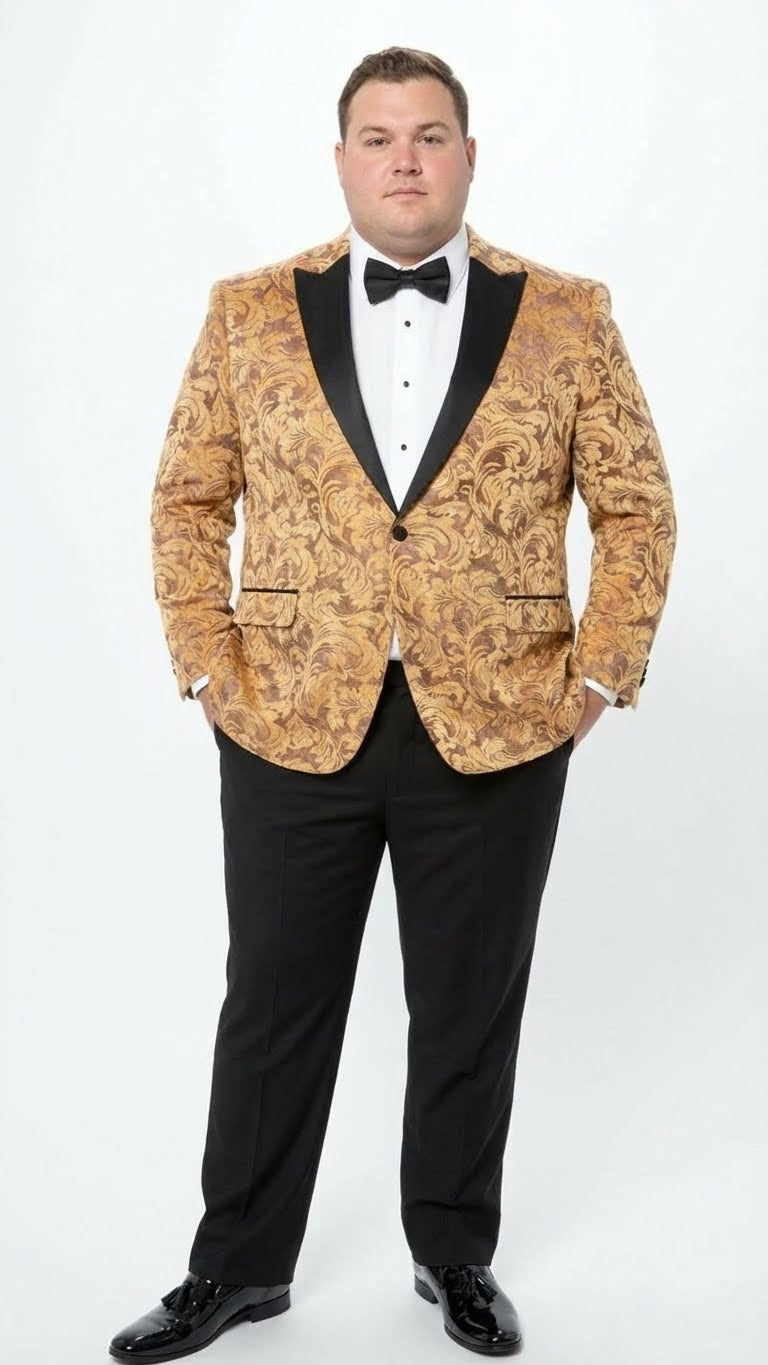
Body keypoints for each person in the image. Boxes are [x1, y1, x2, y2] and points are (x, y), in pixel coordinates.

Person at [109, 45, 677, 1362]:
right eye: (378, 137)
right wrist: (207, 663)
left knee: (470, 1004)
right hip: (287, 712)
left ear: (468, 157)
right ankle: (236, 1268)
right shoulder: (247, 311)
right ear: (342, 159)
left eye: (429, 136)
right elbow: (187, 499)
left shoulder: (570, 314)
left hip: (502, 717)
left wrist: (600, 673)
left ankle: (453, 1251)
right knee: (272, 1004)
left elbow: (637, 507)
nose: (404, 159)